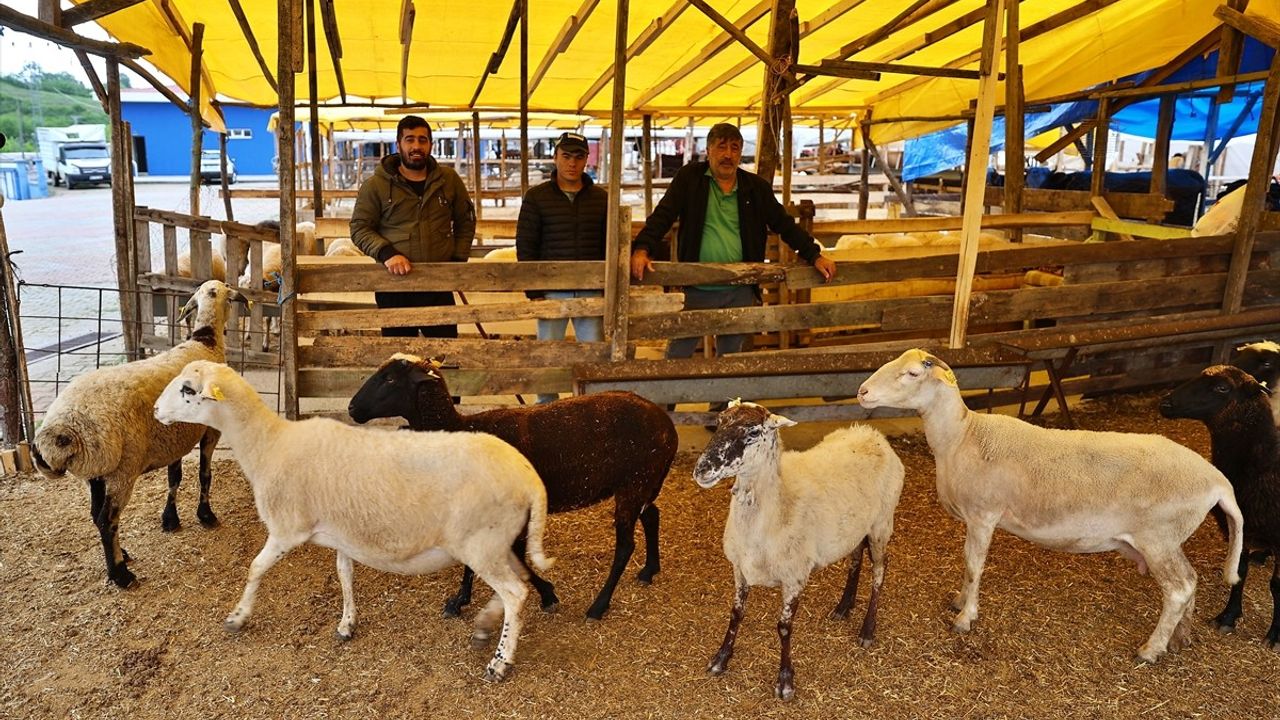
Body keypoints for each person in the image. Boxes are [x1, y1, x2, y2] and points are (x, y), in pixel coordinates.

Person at [630, 122, 836, 361]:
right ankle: (664, 400)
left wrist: (815, 254)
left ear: (740, 153)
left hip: (739, 288)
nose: (728, 154)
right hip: (697, 285)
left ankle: (723, 401)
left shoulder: (755, 187)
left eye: (735, 148)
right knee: (678, 353)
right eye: (721, 147)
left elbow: (784, 224)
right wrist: (643, 249)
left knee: (731, 360)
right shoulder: (690, 179)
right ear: (708, 150)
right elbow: (663, 216)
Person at [350, 115, 475, 338]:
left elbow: (466, 220)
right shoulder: (376, 185)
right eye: (409, 140)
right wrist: (387, 253)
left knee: (444, 354)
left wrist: (457, 260)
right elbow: (359, 227)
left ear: (430, 144)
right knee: (400, 356)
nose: (416, 146)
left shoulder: (448, 180)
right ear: (398, 144)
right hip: (394, 284)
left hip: (438, 283)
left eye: (422, 140)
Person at [516, 131, 608, 403]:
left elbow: (608, 244)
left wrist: (605, 286)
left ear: (586, 160)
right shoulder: (537, 197)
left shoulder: (600, 198)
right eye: (566, 156)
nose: (572, 163)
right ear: (555, 157)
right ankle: (546, 406)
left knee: (592, 352)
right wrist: (534, 290)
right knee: (548, 352)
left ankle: (592, 404)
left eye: (578, 157)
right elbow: (526, 244)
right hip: (552, 289)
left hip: (590, 288)